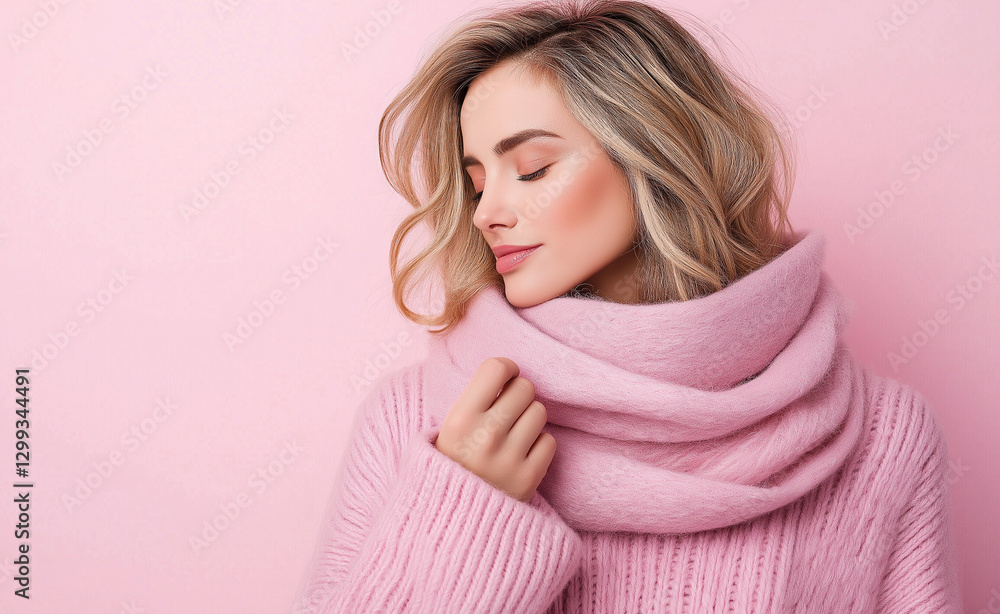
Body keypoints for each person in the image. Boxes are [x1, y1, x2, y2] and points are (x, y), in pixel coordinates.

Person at [291, 1, 964, 611]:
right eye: (475, 184)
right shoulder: (419, 420)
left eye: (531, 168)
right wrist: (462, 512)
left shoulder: (883, 435)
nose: (489, 212)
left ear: (652, 157)